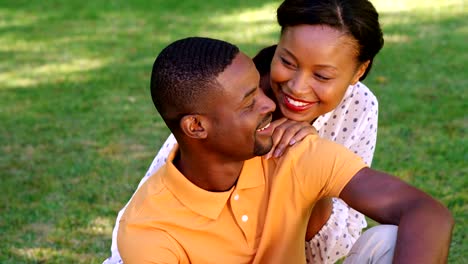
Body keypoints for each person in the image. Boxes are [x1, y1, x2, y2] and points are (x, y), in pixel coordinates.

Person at [116, 36, 453, 263]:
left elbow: (425, 212)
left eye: (259, 89)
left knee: (389, 242)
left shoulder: (291, 149)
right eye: (248, 102)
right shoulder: (148, 230)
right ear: (196, 127)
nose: (269, 104)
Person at [104, 0, 385, 263]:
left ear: (359, 70)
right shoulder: (224, 102)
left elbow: (331, 249)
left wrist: (312, 171)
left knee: (386, 240)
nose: (297, 87)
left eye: (322, 76)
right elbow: (151, 215)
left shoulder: (358, 105)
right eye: (287, 61)